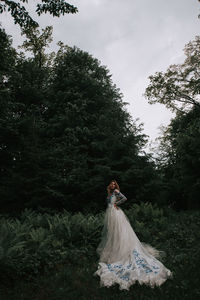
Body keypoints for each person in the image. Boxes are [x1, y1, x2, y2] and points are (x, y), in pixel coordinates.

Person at [93, 180, 172, 291]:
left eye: (114, 184)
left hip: (116, 213)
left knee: (119, 231)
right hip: (110, 213)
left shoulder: (116, 191)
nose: (113, 185)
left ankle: (124, 250)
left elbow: (124, 198)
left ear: (116, 186)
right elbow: (108, 202)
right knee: (113, 233)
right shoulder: (109, 193)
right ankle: (116, 249)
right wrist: (111, 198)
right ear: (109, 185)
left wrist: (117, 204)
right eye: (111, 184)